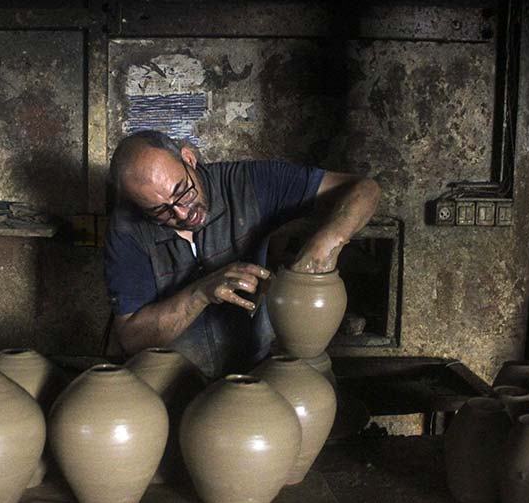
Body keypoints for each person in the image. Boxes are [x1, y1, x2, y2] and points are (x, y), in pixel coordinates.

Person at [104, 130, 381, 378]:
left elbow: (364, 189)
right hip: (173, 383)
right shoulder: (127, 231)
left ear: (188, 159)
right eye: (160, 211)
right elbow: (131, 338)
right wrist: (200, 293)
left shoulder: (247, 184)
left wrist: (326, 243)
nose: (182, 213)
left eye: (182, 192)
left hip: (255, 377)